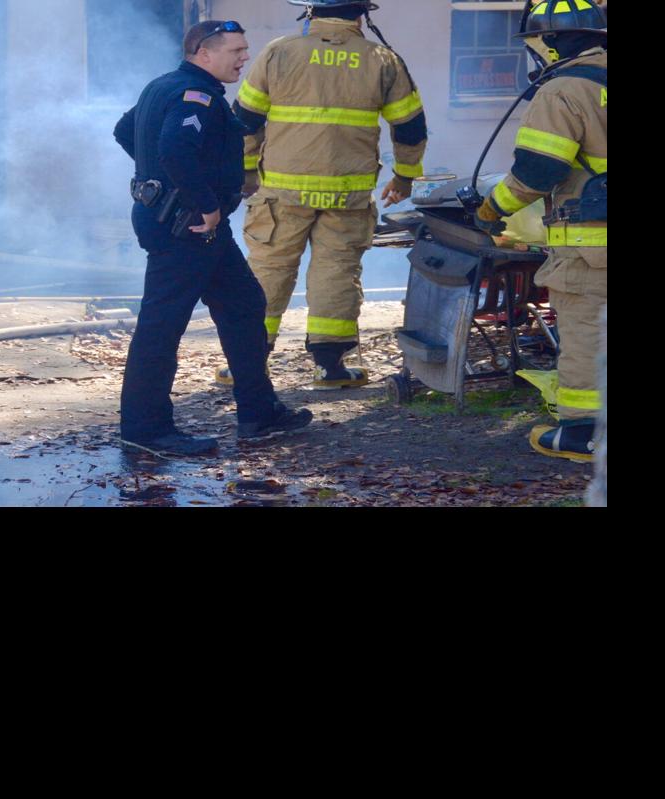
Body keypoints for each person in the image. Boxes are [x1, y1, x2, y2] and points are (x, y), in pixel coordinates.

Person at [112, 19, 312, 456]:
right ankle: (145, 430)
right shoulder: (195, 96)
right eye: (235, 50)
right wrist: (203, 201)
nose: (244, 58)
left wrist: (159, 182)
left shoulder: (163, 86)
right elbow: (175, 149)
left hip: (191, 227)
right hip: (187, 227)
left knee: (244, 304)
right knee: (161, 327)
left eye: (245, 49)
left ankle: (260, 414)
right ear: (204, 53)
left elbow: (126, 132)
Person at [220, 0, 427, 390]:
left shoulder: (278, 52)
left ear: (311, 13)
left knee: (268, 270)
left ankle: (245, 364)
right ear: (361, 15)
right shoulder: (382, 59)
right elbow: (410, 125)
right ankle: (330, 369)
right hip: (347, 195)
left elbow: (244, 120)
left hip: (282, 192)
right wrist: (405, 175)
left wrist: (246, 169)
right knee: (337, 272)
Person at [473, 0, 605, 463]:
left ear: (550, 42)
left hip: (593, 242)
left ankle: (582, 434)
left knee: (587, 330)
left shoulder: (564, 89)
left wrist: (491, 209)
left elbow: (536, 172)